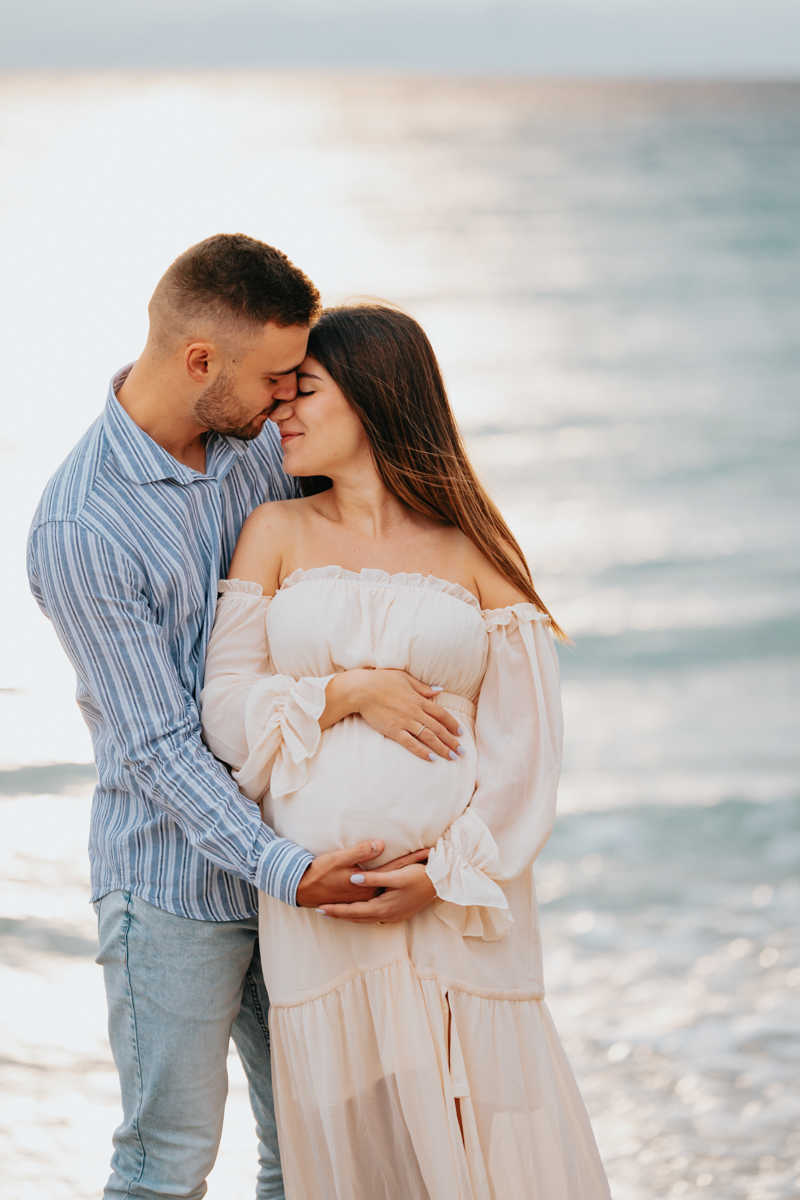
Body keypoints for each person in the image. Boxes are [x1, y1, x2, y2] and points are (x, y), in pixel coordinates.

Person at [26, 236, 462, 1200]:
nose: (286, 401)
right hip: (174, 886)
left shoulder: (264, 449)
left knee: (305, 1155)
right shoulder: (82, 527)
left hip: (303, 865)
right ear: (200, 362)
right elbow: (157, 745)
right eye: (276, 378)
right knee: (166, 1164)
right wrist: (287, 870)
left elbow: (349, 574)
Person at [200, 302, 612, 1199]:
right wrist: (346, 692)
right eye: (280, 401)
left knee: (477, 1147)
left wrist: (451, 871)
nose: (283, 416)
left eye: (304, 392)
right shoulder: (275, 531)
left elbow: (525, 747)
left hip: (454, 909)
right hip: (325, 915)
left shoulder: (472, 549)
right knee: (363, 1153)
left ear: (377, 398)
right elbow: (225, 713)